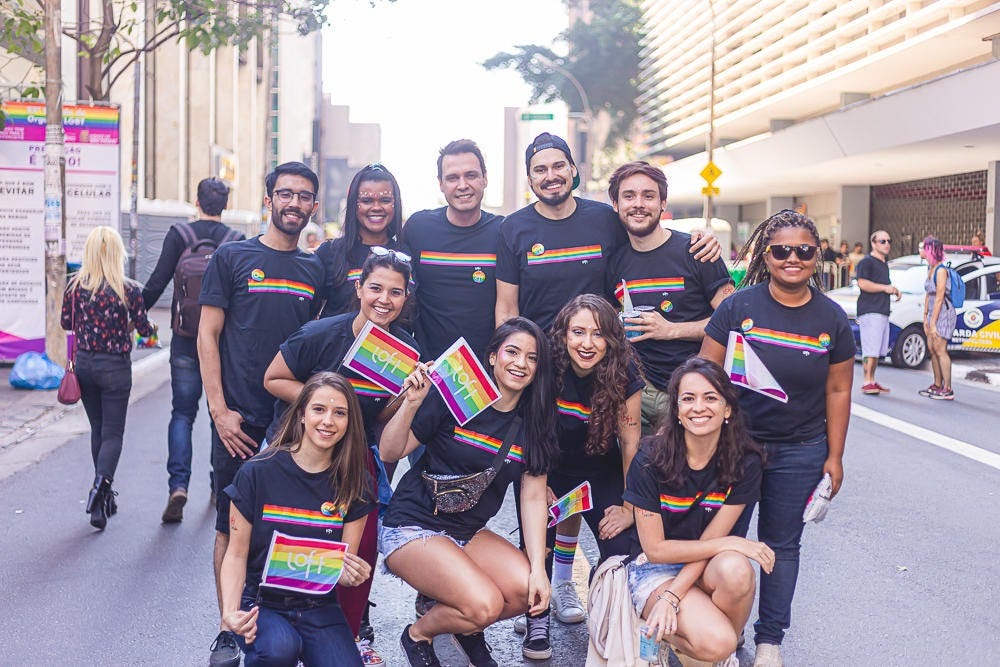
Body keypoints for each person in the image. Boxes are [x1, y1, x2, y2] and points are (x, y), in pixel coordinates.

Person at [700, 209, 853, 667]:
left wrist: (836, 456)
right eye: (782, 250)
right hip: (735, 447)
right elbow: (705, 373)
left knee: (781, 548)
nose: (792, 259)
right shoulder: (737, 307)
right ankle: (724, 633)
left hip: (801, 450)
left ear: (816, 256)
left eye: (803, 251)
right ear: (767, 254)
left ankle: (769, 642)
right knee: (723, 542)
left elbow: (839, 388)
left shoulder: (832, 318)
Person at [263, 248, 418, 665]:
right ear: (359, 289)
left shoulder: (403, 348)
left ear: (406, 298)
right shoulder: (321, 334)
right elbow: (273, 378)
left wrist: (406, 397)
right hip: (296, 452)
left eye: (396, 292)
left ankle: (344, 637)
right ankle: (275, 631)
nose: (384, 299)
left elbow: (379, 414)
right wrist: (329, 407)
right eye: (376, 289)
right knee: (295, 541)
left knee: (358, 552)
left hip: (355, 459)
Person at [200, 161, 326, 667]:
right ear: (269, 199)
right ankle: (229, 625)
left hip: (293, 425)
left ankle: (278, 622)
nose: (294, 203)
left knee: (287, 528)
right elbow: (207, 335)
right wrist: (219, 411)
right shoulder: (232, 258)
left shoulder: (315, 270)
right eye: (285, 194)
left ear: (314, 206)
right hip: (239, 423)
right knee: (232, 531)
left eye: (303, 196)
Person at [378, 318, 558, 667]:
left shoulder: (534, 419)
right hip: (413, 525)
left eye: (532, 358)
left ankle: (467, 626)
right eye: (512, 352)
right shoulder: (458, 396)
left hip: (466, 532)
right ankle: (418, 635)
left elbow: (533, 497)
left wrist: (539, 568)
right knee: (485, 604)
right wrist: (412, 402)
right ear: (492, 356)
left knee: (528, 591)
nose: (521, 363)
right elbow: (389, 452)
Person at [516, 294, 643, 660]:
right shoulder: (546, 365)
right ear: (563, 333)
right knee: (539, 541)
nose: (587, 344)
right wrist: (539, 484)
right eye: (578, 332)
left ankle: (605, 614)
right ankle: (537, 615)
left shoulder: (625, 373)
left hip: (598, 469)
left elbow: (631, 441)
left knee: (622, 549)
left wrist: (629, 506)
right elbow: (524, 429)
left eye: (598, 334)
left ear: (612, 339)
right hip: (546, 467)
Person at [219, 372, 375, 667]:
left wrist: (350, 574)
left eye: (339, 413)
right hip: (261, 602)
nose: (328, 421)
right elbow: (236, 553)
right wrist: (230, 613)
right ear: (302, 414)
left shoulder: (357, 483)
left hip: (319, 606)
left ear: (349, 423)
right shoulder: (257, 473)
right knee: (279, 649)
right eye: (319, 409)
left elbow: (343, 562)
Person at [626, 358, 772, 667]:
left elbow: (711, 541)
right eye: (688, 399)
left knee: (737, 570)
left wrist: (674, 596)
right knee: (717, 638)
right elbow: (655, 550)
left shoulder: (745, 462)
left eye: (710, 398)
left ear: (727, 408)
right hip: (653, 569)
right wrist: (730, 543)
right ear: (677, 409)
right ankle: (670, 636)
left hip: (703, 565)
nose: (699, 407)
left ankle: (715, 654)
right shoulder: (649, 459)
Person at [496, 133, 721, 332]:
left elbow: (646, 230)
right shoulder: (513, 228)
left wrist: (697, 239)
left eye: (558, 166)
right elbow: (507, 311)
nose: (551, 176)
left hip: (597, 358)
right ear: (530, 180)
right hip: (541, 360)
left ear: (572, 170)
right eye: (540, 170)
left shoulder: (605, 219)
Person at [141, 177, 245, 523]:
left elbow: (156, 281)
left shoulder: (179, 235)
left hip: (186, 339)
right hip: (223, 345)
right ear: (225, 205)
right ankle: (218, 486)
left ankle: (178, 486)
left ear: (196, 201)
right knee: (221, 415)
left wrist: (134, 315)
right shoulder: (235, 242)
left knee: (182, 414)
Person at [606, 161, 734, 435]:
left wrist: (672, 330)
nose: (638, 204)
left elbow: (732, 321)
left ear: (663, 203)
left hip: (690, 393)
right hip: (636, 392)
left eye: (648, 196)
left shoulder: (696, 251)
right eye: (629, 196)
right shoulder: (615, 262)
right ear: (615, 204)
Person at [61, 225, 157, 530]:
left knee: (98, 430)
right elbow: (144, 329)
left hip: (86, 365)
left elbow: (67, 323)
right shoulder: (128, 289)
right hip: (115, 367)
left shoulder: (75, 287)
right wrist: (147, 326)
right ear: (118, 254)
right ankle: (99, 489)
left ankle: (101, 503)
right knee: (113, 434)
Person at [401, 139, 501, 360]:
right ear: (440, 184)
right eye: (452, 178)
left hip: (486, 371)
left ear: (485, 178)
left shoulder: (503, 232)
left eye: (471, 175)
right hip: (427, 370)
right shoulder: (419, 228)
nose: (462, 185)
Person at [315, 163, 403, 318]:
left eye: (385, 200)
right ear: (354, 205)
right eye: (367, 200)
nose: (376, 207)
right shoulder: (329, 253)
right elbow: (310, 318)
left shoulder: (407, 254)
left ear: (395, 204)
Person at [855, 231, 900, 395]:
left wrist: (892, 290)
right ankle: (867, 381)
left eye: (889, 240)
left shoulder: (883, 263)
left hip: (882, 311)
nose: (887, 244)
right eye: (882, 241)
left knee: (878, 349)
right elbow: (862, 283)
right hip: (870, 309)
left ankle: (872, 380)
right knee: (871, 348)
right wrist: (885, 288)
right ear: (873, 243)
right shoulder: (867, 262)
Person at [919, 236, 957, 400]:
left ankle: (947, 388)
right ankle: (937, 384)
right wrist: (925, 316)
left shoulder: (941, 270)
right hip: (933, 314)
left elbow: (940, 297)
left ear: (930, 250)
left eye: (923, 248)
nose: (921, 251)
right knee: (932, 348)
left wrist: (933, 322)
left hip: (943, 314)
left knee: (941, 349)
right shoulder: (931, 268)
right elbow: (929, 294)